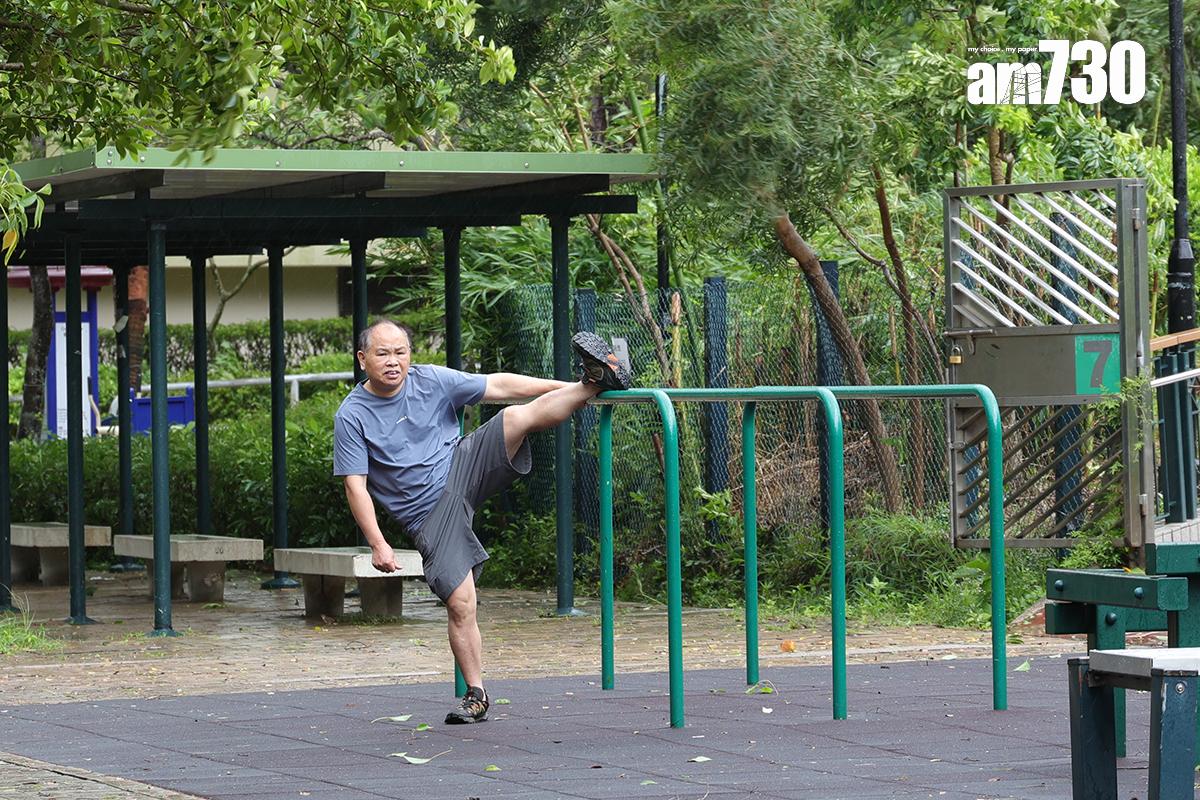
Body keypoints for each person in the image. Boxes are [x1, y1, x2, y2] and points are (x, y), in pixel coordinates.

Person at [332, 319, 631, 724]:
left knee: (512, 418)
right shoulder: (352, 416)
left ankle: (592, 382)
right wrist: (378, 543)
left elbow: (500, 385)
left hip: (461, 465)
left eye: (400, 352)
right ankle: (477, 694)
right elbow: (356, 485)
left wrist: (562, 386)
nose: (393, 362)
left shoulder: (431, 380)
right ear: (363, 359)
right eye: (383, 354)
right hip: (428, 512)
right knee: (461, 603)